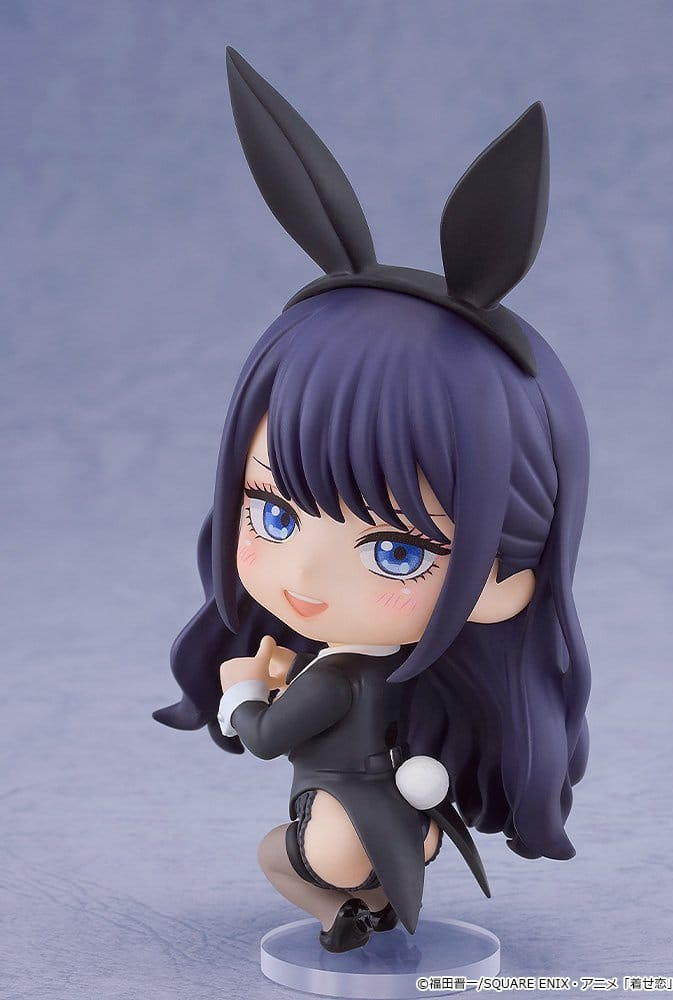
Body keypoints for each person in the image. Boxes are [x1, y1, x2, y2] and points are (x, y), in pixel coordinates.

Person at [154, 48, 591, 954]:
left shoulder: (341, 676)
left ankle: (347, 913)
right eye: (274, 512)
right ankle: (373, 909)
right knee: (322, 860)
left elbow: (264, 739)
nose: (304, 578)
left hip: (342, 824)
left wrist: (243, 692)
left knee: (278, 856)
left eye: (397, 549)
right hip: (400, 810)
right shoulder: (382, 676)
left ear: (504, 580)